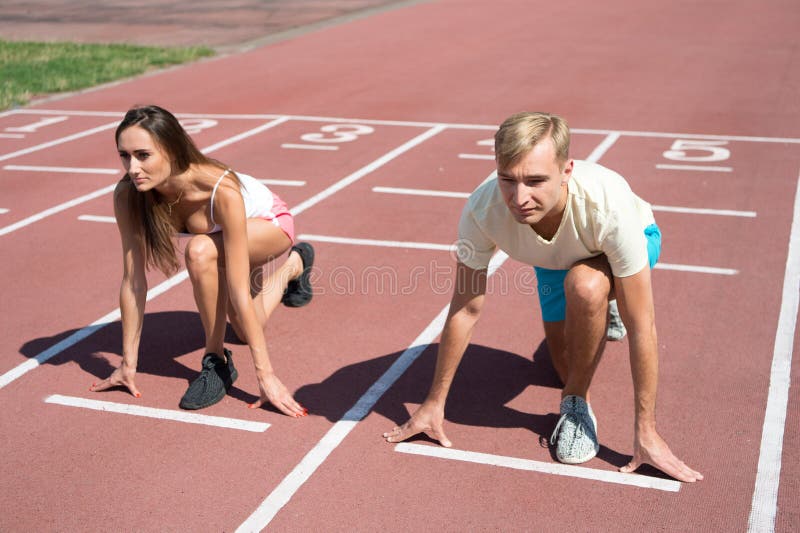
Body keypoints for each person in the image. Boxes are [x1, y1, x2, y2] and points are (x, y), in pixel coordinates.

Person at [383, 111, 703, 482]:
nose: (519, 199)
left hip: (623, 243)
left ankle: (576, 402)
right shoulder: (482, 209)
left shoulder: (609, 207)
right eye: (508, 180)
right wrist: (433, 404)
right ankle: (596, 314)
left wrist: (646, 432)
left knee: (586, 289)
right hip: (551, 259)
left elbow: (642, 323)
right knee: (561, 366)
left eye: (535, 181)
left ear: (567, 170)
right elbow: (466, 307)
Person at [89, 105, 313, 418]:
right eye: (124, 156)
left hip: (268, 224)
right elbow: (133, 281)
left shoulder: (219, 188)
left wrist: (266, 377)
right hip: (226, 236)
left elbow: (234, 286)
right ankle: (297, 266)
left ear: (171, 150)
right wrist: (127, 364)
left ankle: (216, 360)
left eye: (143, 155)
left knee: (199, 250)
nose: (132, 168)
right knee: (247, 331)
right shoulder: (128, 193)